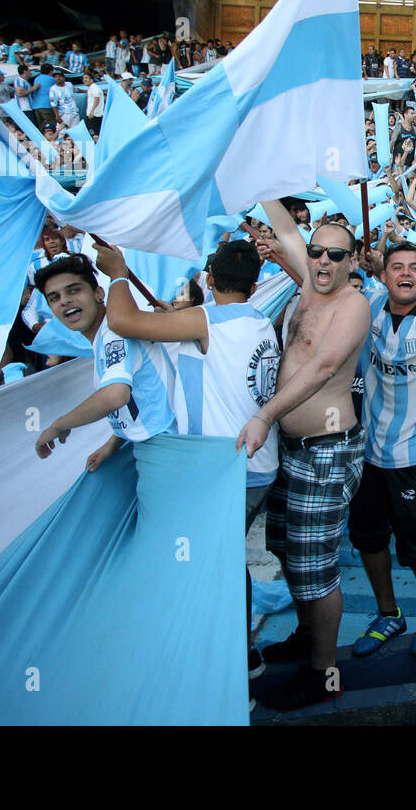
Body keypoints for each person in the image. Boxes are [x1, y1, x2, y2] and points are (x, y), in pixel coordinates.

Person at [93, 240, 281, 688]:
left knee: (213, 565)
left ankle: (225, 663)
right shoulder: (258, 317)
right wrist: (169, 315)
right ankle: (240, 653)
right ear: (255, 284)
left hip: (224, 468)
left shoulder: (205, 320)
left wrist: (118, 272)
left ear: (209, 279)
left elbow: (120, 320)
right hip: (260, 464)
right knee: (227, 560)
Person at [235, 201, 370, 710]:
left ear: (352, 261)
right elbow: (287, 224)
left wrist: (265, 415)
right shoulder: (308, 288)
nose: (323, 261)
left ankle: (323, 672)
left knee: (316, 566)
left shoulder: (352, 303)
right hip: (292, 448)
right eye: (316, 252)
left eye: (337, 255)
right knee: (287, 549)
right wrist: (260, 154)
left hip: (327, 451)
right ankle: (309, 634)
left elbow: (324, 367)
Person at [346, 242, 416, 656]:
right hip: (368, 452)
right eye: (397, 266)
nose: (406, 273)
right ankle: (388, 614)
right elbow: (314, 279)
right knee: (367, 537)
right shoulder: (370, 306)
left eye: (415, 267)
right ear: (384, 275)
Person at [31, 254, 177, 462]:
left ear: (99, 293)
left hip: (165, 449)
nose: (65, 301)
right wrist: (113, 443)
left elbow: (115, 396)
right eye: (55, 298)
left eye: (74, 290)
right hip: (155, 445)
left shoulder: (114, 333)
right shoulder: (104, 335)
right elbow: (137, 400)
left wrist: (59, 425)